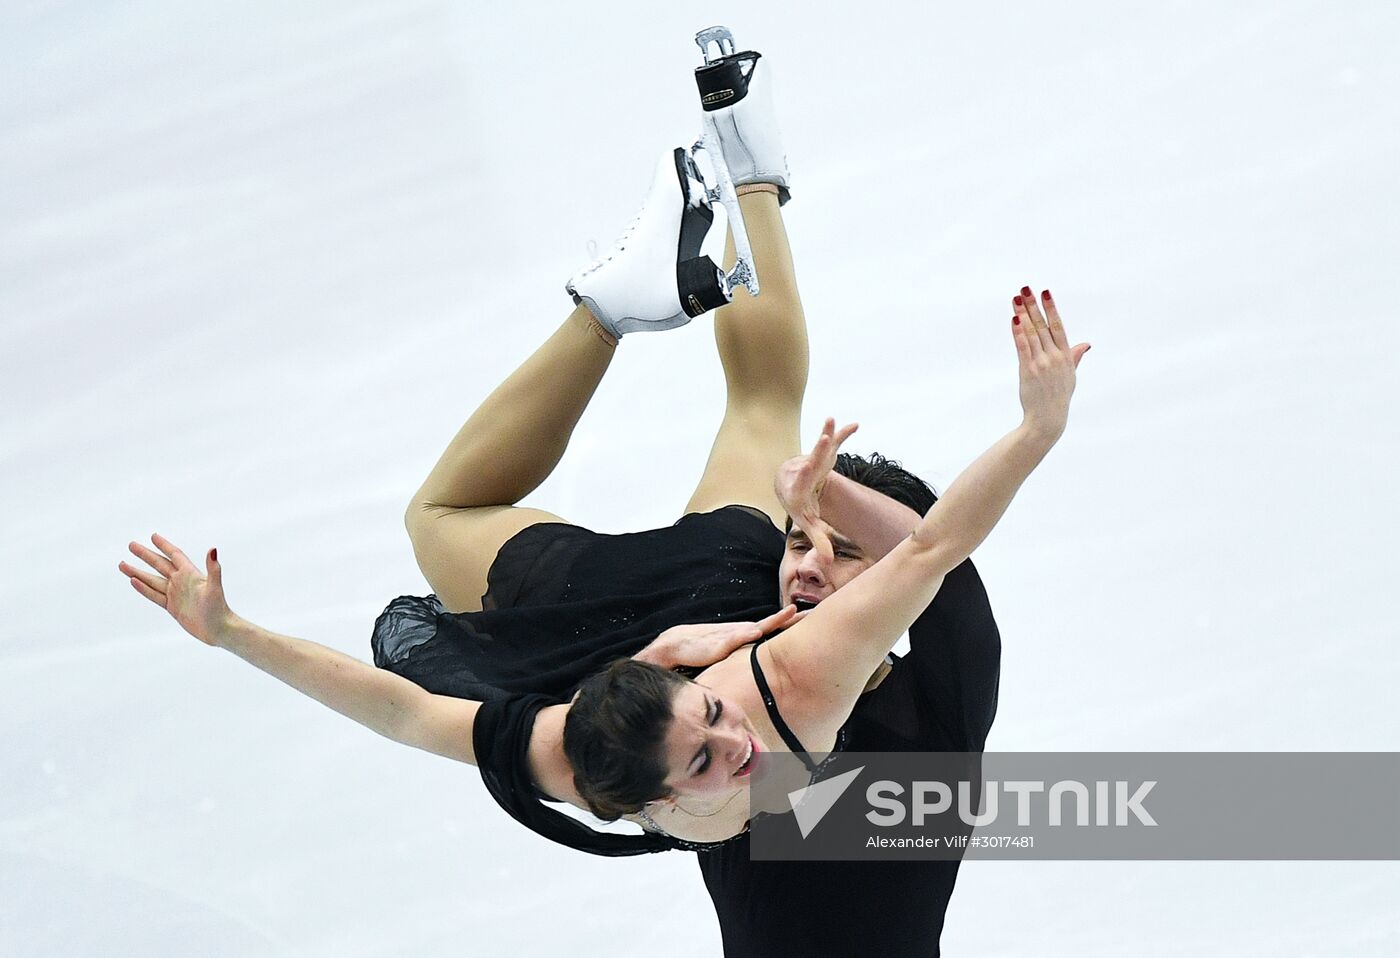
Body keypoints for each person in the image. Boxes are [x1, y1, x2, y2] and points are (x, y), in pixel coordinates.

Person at [117, 32, 1089, 955]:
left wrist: (237, 632)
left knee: (729, 419)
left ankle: (694, 221)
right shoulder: (792, 691)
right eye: (811, 543)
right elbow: (929, 552)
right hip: (700, 605)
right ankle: (658, 257)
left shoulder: (611, 744)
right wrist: (869, 489)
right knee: (472, 508)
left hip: (668, 620)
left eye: (710, 740)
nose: (732, 750)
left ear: (626, 797)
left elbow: (405, 712)